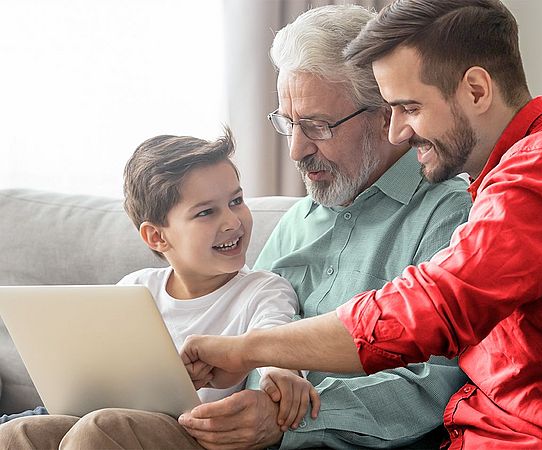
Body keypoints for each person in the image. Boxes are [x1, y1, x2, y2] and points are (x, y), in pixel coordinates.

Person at [178, 1, 542, 449]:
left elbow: (428, 309)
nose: (397, 132)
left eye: (410, 108)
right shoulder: (516, 176)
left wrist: (249, 349)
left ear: (476, 90)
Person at [176, 5, 472, 450]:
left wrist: (290, 419)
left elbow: (436, 383)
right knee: (37, 431)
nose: (296, 150)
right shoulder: (298, 220)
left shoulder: (449, 215)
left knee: (98, 434)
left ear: (384, 116)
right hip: (220, 434)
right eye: (288, 124)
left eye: (317, 126)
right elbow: (251, 332)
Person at [0, 130, 319, 447]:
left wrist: (281, 370)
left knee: (102, 426)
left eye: (235, 201)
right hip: (124, 418)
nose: (232, 221)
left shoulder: (262, 290)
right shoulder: (135, 288)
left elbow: (274, 336)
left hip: (196, 435)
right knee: (18, 432)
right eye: (206, 212)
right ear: (156, 237)